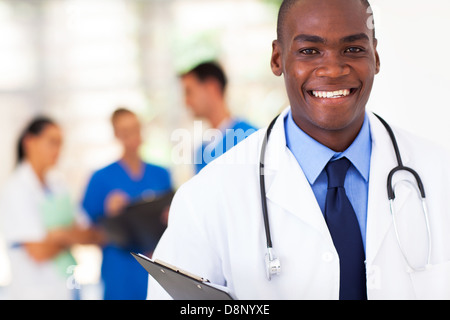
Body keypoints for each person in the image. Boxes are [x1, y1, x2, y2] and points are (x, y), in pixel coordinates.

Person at [148, 0, 450, 300]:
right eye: (309, 51)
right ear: (278, 59)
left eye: (353, 49)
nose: (333, 69)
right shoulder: (207, 196)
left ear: (376, 56)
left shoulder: (439, 172)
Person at [0, 117, 102, 299]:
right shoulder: (16, 188)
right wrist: (70, 234)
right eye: (52, 142)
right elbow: (38, 251)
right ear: (29, 142)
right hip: (34, 292)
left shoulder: (58, 184)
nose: (58, 150)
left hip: (68, 288)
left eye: (60, 144)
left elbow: (90, 234)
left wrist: (58, 235)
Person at [82, 108, 172, 300]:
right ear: (116, 134)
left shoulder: (161, 174)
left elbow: (174, 224)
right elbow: (87, 233)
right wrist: (110, 215)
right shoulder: (100, 179)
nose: (132, 136)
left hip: (156, 272)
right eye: (125, 131)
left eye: (135, 128)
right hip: (120, 275)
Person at [180, 61, 257, 173]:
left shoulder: (250, 137)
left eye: (189, 92)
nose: (186, 101)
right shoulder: (200, 153)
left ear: (212, 87)